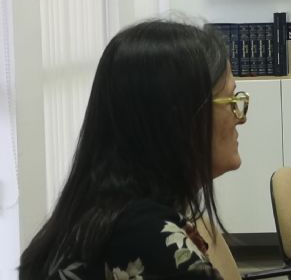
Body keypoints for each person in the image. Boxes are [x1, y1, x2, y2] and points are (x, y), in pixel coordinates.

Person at [19, 20, 249, 280]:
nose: (239, 117)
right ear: (179, 119)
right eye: (231, 100)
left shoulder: (99, 215)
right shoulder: (149, 242)